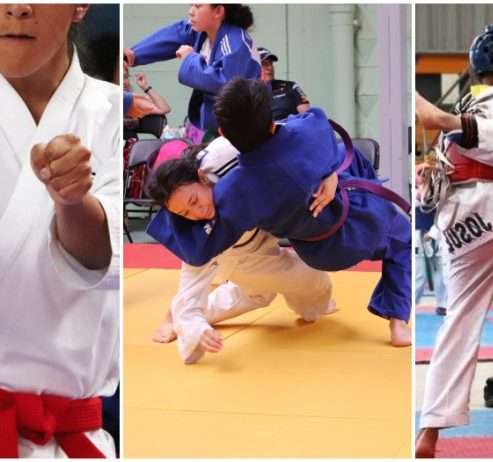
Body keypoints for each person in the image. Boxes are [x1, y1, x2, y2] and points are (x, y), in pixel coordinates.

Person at [147, 78, 412, 347]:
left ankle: (181, 314)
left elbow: (197, 252)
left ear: (223, 132)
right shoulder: (309, 128)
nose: (195, 210)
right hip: (359, 221)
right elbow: (317, 125)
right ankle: (398, 322)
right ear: (271, 118)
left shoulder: (234, 191)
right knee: (402, 237)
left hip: (320, 252)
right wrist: (330, 170)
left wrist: (173, 213)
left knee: (275, 288)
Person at [0, 4, 120, 458]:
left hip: (69, 438)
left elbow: (102, 262)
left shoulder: (111, 113)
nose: (16, 8)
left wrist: (71, 202)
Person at [414, 25, 493, 457]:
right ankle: (460, 128)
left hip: (459, 222)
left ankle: (430, 428)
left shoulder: (468, 100)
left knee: (459, 320)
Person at [149, 138, 336, 363]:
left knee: (258, 294)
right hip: (241, 256)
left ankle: (179, 314)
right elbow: (190, 284)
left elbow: (291, 139)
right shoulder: (197, 233)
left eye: (194, 200)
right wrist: (197, 331)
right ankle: (179, 316)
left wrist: (329, 174)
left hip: (266, 227)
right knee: (308, 280)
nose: (197, 212)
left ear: (201, 177)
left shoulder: (223, 156)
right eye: (185, 213)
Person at [124, 4, 260, 142]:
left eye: (198, 6)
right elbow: (174, 35)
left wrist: (190, 59)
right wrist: (132, 55)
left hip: (242, 133)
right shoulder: (202, 30)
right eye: (191, 5)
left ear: (218, 11)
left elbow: (225, 83)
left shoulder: (235, 41)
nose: (191, 11)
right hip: (213, 129)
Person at [258, 46, 311, 120]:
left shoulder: (290, 86)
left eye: (271, 63)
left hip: (288, 126)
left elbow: (308, 117)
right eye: (264, 64)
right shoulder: (248, 94)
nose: (270, 67)